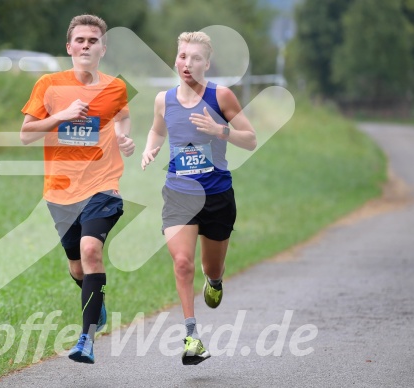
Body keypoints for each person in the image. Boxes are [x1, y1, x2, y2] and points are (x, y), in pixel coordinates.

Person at [19, 14, 135, 364]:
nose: (86, 45)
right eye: (80, 40)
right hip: (60, 191)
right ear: (69, 47)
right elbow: (26, 134)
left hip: (103, 186)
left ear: (103, 48)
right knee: (76, 267)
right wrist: (63, 115)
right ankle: (94, 301)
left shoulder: (115, 87)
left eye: (93, 40)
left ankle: (85, 339)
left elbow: (122, 115)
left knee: (90, 250)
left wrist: (121, 135)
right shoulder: (49, 85)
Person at [141, 31, 256, 365]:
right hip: (179, 194)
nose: (187, 64)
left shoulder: (222, 97)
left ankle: (215, 281)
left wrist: (219, 130)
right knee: (182, 262)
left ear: (207, 63)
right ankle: (192, 335)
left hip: (217, 195)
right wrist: (151, 146)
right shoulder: (164, 99)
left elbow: (250, 139)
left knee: (211, 266)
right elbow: (157, 129)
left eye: (194, 58)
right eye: (182, 56)